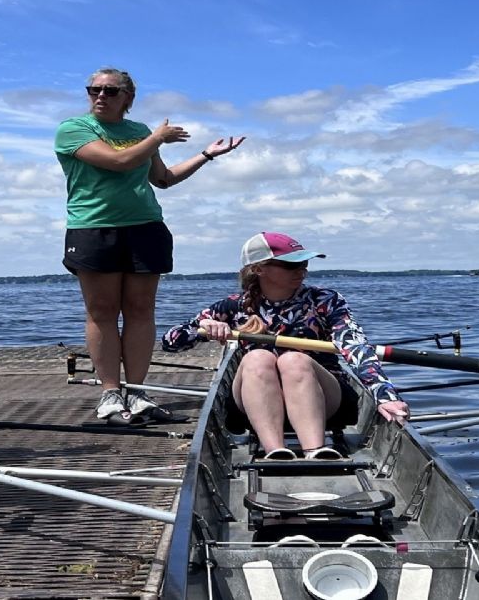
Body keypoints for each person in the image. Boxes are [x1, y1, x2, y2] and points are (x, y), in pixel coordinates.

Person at [55, 67, 245, 425]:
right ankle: (111, 394)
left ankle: (137, 392)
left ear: (127, 97)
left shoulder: (139, 132)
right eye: (93, 89)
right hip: (94, 229)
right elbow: (117, 162)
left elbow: (163, 178)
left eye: (110, 91)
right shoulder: (73, 129)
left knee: (141, 309)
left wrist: (206, 155)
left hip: (145, 227)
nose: (100, 96)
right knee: (103, 311)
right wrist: (157, 138)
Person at [162, 232, 410, 459]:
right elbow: (170, 342)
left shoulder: (325, 300)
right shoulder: (232, 306)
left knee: (294, 360)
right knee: (257, 357)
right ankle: (276, 452)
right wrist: (203, 328)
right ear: (259, 269)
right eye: (291, 264)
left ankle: (316, 451)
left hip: (325, 399)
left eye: (304, 263)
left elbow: (355, 347)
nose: (302, 270)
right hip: (254, 399)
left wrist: (385, 396)